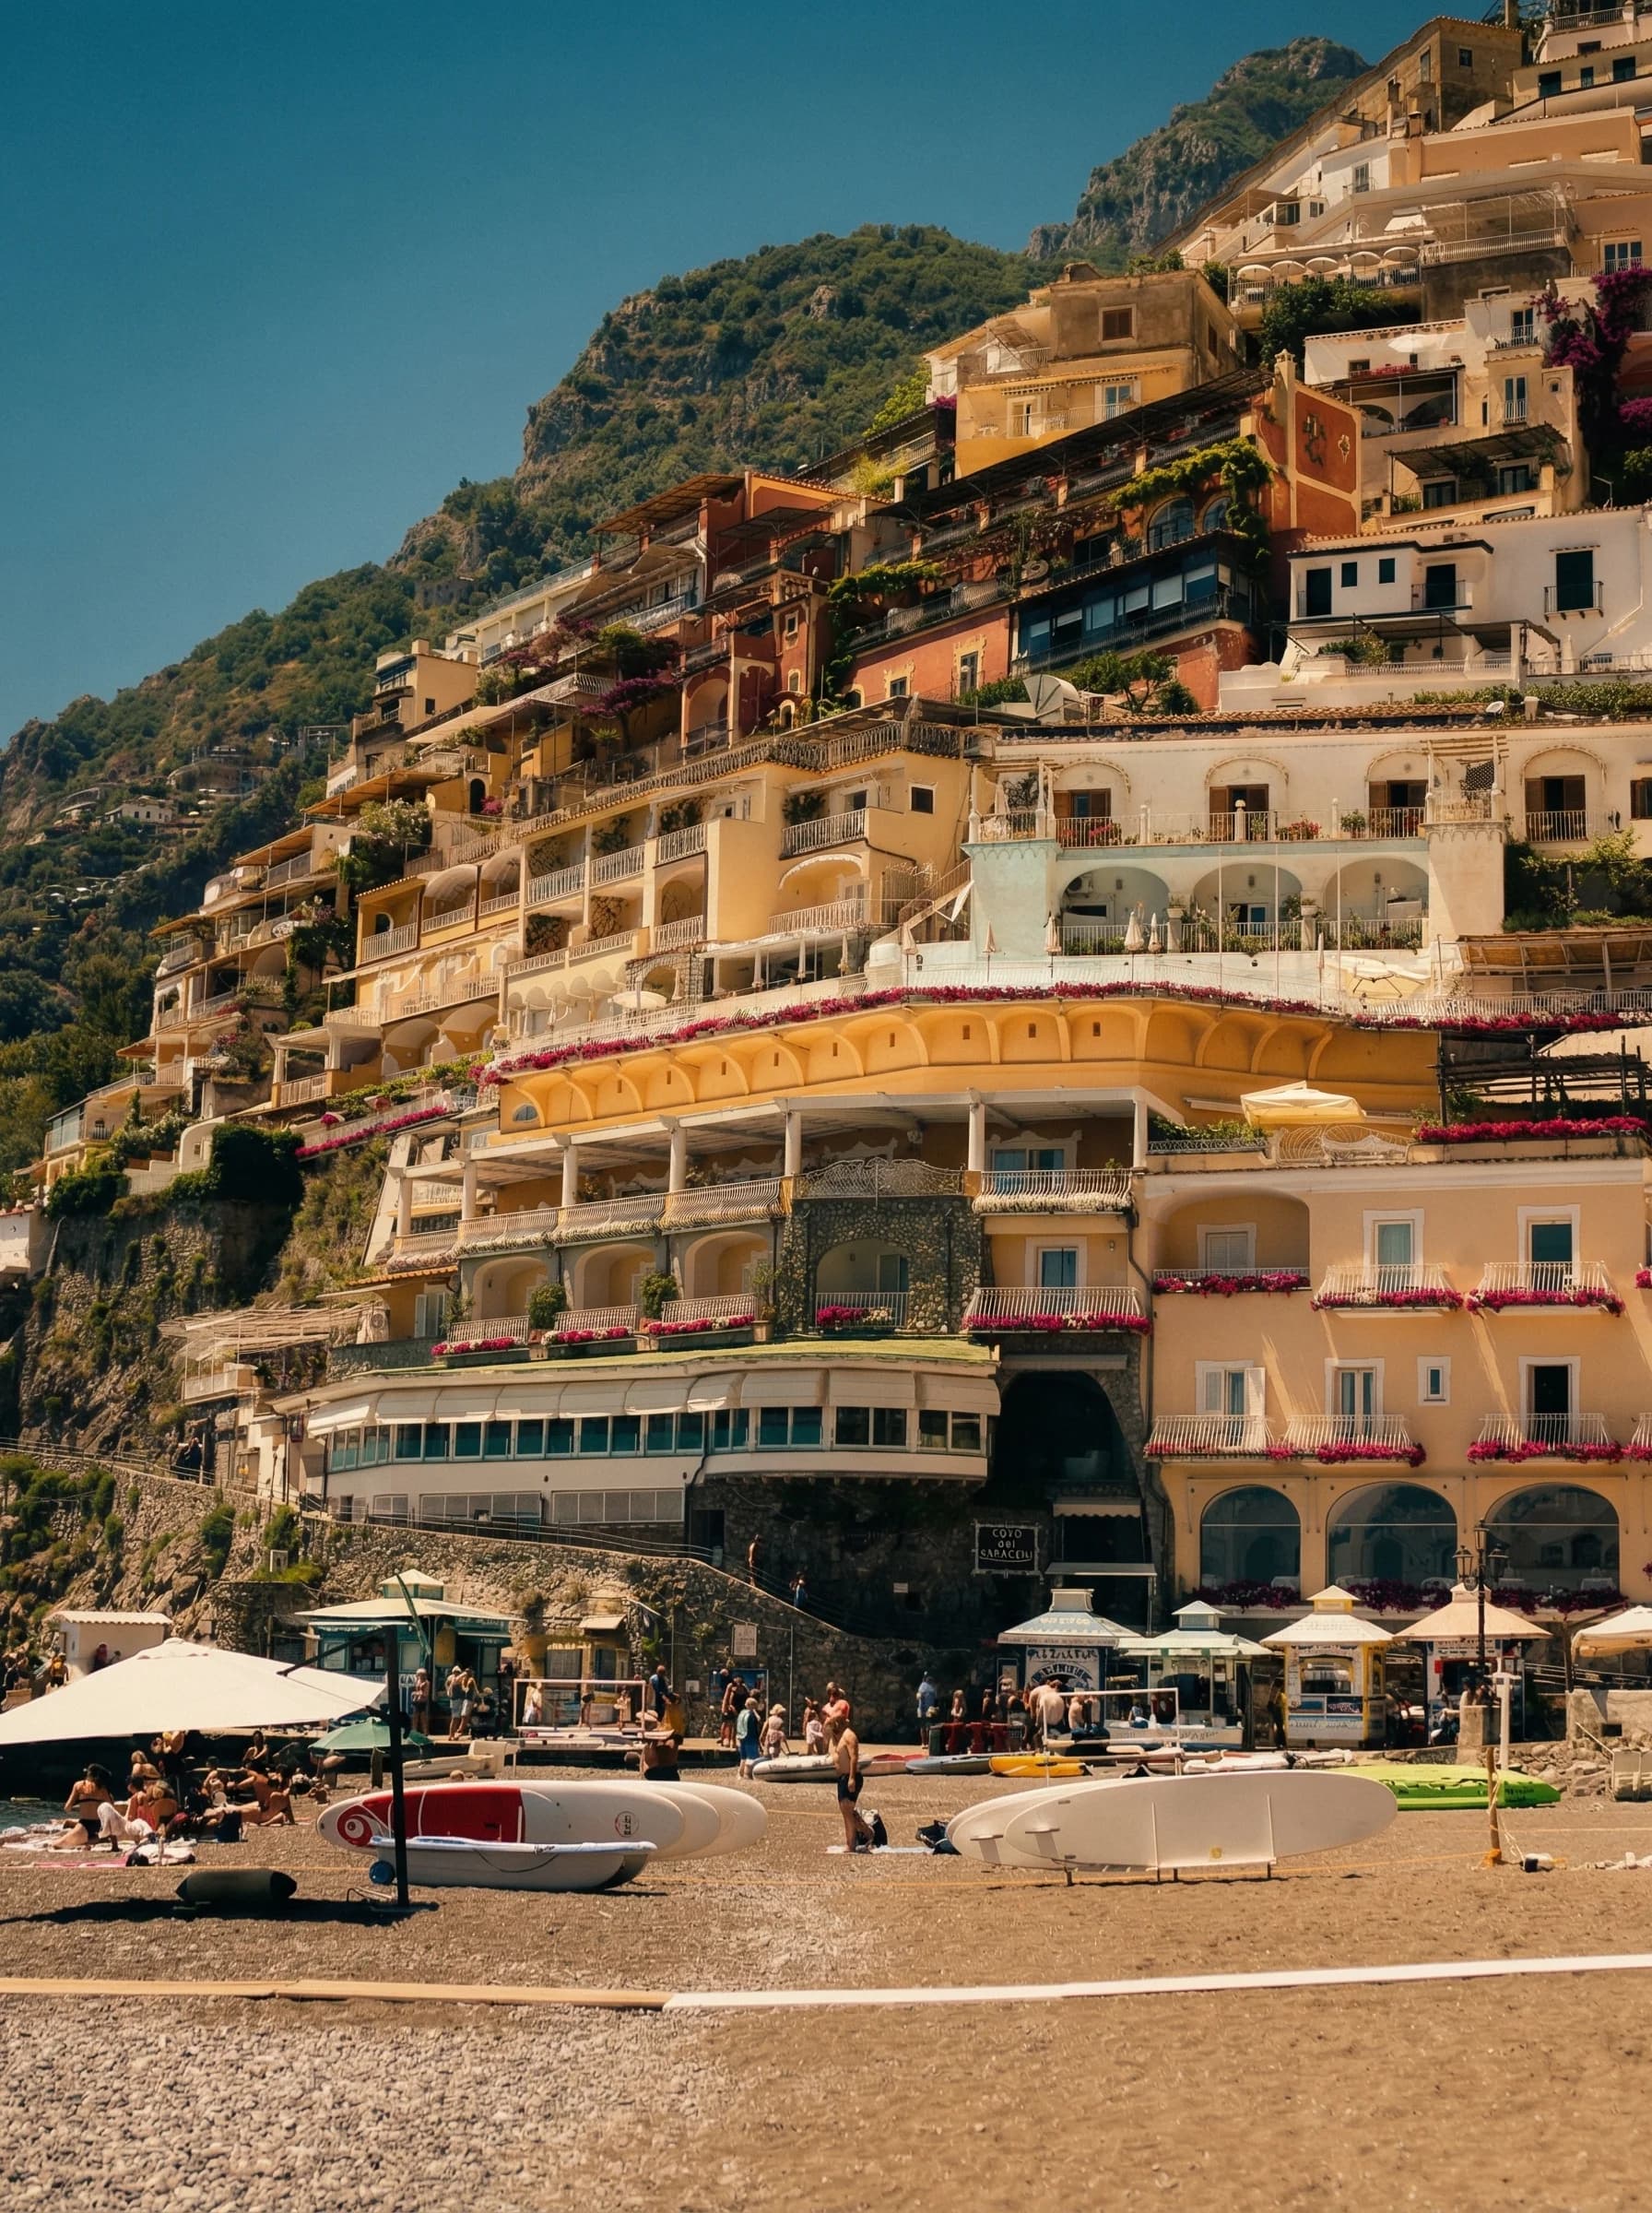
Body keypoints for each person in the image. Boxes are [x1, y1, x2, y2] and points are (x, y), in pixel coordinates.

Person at [829, 1710, 875, 1853]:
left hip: (850, 1776)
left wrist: (852, 1778)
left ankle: (851, 1844)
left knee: (847, 1810)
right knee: (846, 1811)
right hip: (842, 1777)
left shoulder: (849, 1736)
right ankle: (867, 1832)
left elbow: (854, 1757)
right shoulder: (839, 1736)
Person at [61, 1765, 115, 1845]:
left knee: (59, 1844)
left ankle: (95, 1837)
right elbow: (111, 1808)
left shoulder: (79, 1785)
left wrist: (82, 1805)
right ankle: (100, 1838)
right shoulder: (103, 1789)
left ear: (88, 1774)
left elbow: (67, 1808)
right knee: (85, 1841)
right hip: (98, 1825)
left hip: (84, 1824)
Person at [735, 1691, 763, 1778]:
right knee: (754, 1757)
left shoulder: (742, 1713)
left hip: (741, 1737)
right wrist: (755, 1712)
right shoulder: (751, 1715)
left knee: (743, 1758)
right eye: (755, 1706)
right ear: (752, 1706)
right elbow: (758, 1721)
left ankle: (740, 1774)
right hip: (751, 1738)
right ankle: (752, 1774)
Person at [719, 1672, 743, 1751]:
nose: (738, 1680)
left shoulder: (743, 1687)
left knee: (735, 1725)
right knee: (727, 1724)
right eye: (736, 1679)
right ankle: (725, 1739)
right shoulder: (730, 1686)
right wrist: (724, 1709)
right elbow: (726, 1698)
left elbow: (746, 1696)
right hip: (729, 1708)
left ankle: (733, 1741)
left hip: (738, 1708)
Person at [915, 1671, 940, 1746]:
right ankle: (925, 1743)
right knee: (925, 1726)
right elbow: (919, 1696)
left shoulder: (927, 1687)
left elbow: (935, 1699)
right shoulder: (930, 1688)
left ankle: (925, 1743)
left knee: (926, 1727)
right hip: (925, 1709)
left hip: (927, 1709)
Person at [410, 1667, 431, 1735]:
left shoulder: (427, 1683)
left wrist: (415, 1693)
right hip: (416, 1701)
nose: (420, 1676)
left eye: (422, 1674)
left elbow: (425, 1694)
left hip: (422, 1701)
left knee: (423, 1717)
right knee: (415, 1717)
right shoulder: (418, 1682)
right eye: (419, 1674)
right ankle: (414, 1730)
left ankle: (425, 1731)